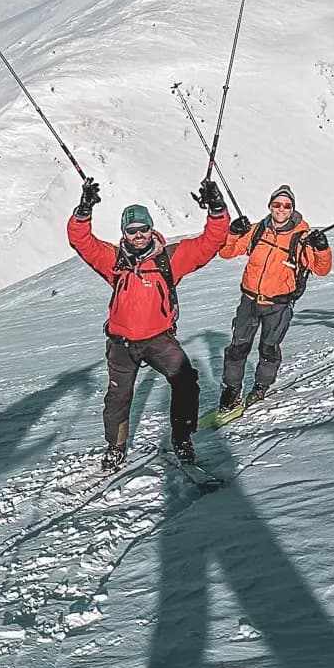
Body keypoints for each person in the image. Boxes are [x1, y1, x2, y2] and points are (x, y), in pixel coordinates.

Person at [69, 175, 230, 470]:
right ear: (124, 233)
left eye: (143, 228)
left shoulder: (170, 258)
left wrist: (216, 207)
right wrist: (83, 210)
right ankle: (116, 446)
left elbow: (212, 241)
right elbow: (81, 240)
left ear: (151, 228)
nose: (138, 234)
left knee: (185, 383)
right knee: (118, 396)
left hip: (159, 339)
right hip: (121, 342)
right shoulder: (114, 261)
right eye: (132, 230)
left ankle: (182, 438)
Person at [215, 183, 331, 417]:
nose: (281, 209)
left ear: (292, 209)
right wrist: (234, 233)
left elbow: (321, 269)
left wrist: (321, 248)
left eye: (286, 205)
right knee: (237, 349)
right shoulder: (257, 230)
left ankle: (260, 387)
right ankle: (231, 392)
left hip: (278, 305)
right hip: (249, 301)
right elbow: (226, 253)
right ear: (270, 206)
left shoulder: (301, 239)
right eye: (277, 204)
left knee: (268, 349)